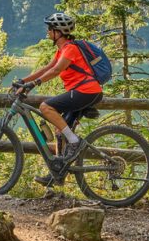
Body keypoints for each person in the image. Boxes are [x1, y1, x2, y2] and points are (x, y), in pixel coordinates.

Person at [13, 12, 104, 187]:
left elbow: (56, 71)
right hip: (82, 91)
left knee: (46, 107)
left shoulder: (70, 49)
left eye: (50, 29)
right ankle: (58, 174)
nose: (47, 32)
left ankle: (76, 143)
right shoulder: (62, 50)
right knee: (60, 132)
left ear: (59, 32)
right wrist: (23, 81)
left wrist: (33, 85)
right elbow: (47, 68)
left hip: (86, 91)